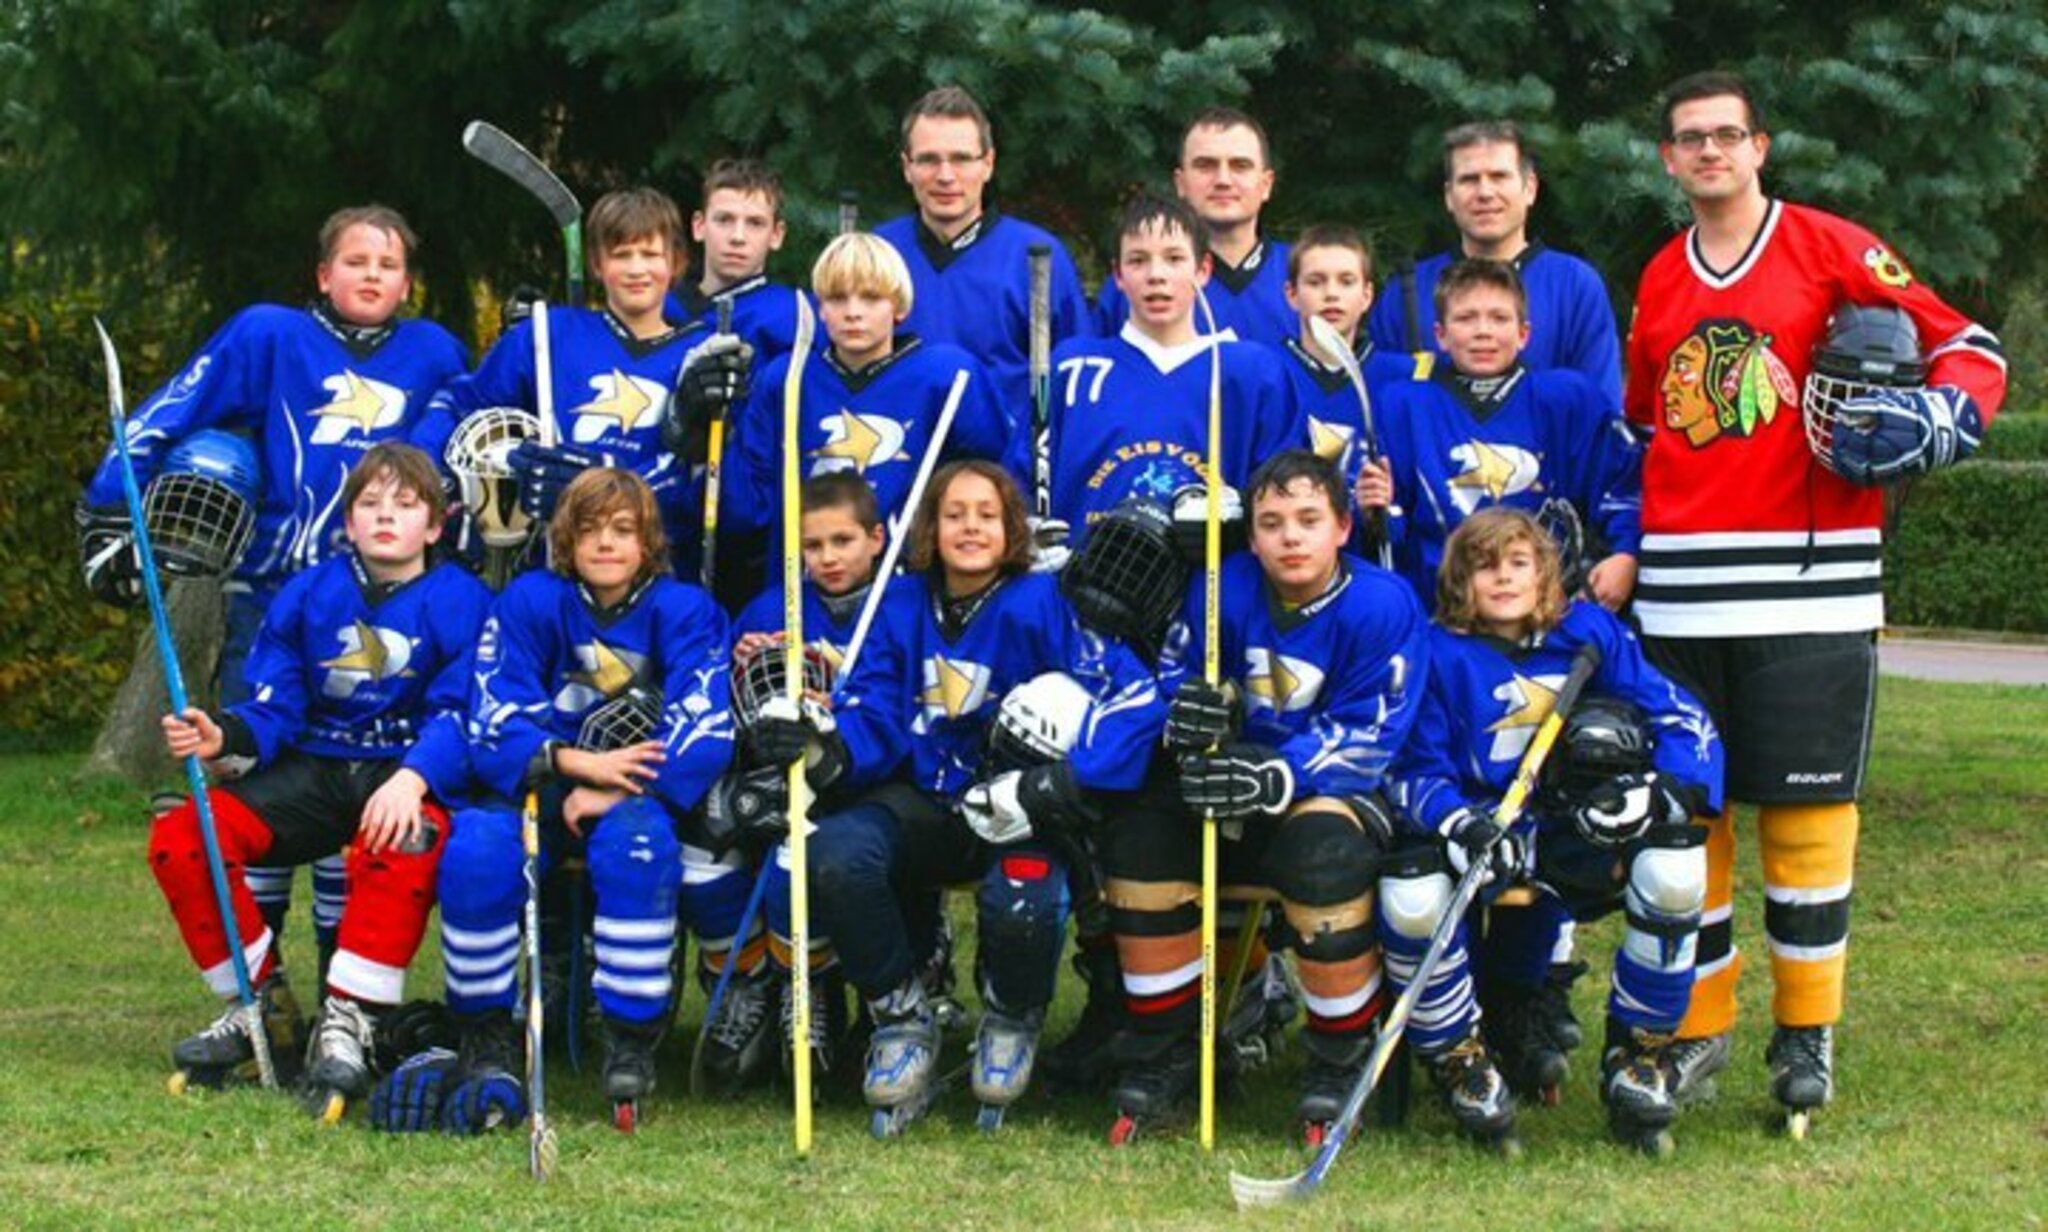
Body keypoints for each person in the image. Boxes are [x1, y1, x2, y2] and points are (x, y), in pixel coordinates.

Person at [1623, 70, 2005, 1133]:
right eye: (1687, 139)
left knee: (1801, 820)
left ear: (1759, 146)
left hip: (1810, 587)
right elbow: (1644, 423)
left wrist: (1940, 419)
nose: (1707, 153)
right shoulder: (1658, 276)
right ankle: (1696, 1027)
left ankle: (1805, 1032)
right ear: (1666, 158)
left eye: (1725, 136)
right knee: (1682, 826)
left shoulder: (1832, 247)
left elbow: (1968, 347)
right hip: (1679, 599)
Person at [80, 205, 470, 980]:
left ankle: (341, 983)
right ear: (322, 275)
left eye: (387, 265)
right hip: (270, 598)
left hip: (381, 599)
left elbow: (466, 437)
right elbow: (171, 413)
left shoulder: (434, 353)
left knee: (348, 787)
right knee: (256, 784)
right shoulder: (267, 334)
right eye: (354, 261)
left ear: (407, 283)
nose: (370, 275)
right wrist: (107, 511)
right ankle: (264, 988)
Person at [756, 459, 1162, 1135]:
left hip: (1021, 807)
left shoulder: (1048, 599)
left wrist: (1060, 781)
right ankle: (899, 1012)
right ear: (929, 528)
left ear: (1013, 527)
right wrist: (825, 748)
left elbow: (1136, 699)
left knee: (1026, 893)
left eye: (986, 513)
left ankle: (1011, 1012)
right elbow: (876, 710)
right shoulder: (902, 601)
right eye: (954, 514)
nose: (970, 526)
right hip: (927, 802)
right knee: (835, 853)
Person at [148, 443, 488, 1117]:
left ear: (436, 525)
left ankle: (351, 1020)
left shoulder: (465, 600)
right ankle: (260, 1007)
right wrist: (226, 738)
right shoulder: (308, 594)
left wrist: (415, 778)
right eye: (370, 503)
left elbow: (463, 711)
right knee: (184, 835)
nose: (386, 516)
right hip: (313, 769)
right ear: (348, 521)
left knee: (409, 840)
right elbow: (276, 708)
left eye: (405, 504)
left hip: (402, 775)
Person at [1105, 450, 1428, 1144]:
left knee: (1322, 857)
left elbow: (1375, 729)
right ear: (1250, 534)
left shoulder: (1383, 603)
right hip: (1230, 783)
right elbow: (1177, 675)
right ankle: (1172, 1052)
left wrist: (1278, 773)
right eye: (1272, 521)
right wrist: (1190, 711)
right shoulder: (1219, 587)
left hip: (1333, 793)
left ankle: (1339, 1063)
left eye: (1309, 519)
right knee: (1139, 839)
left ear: (1343, 527)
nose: (1290, 536)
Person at [1389, 508, 1723, 1153]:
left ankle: (1637, 1057)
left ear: (1546, 574)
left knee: (1675, 871)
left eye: (1520, 564)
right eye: (1486, 566)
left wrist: (1662, 793)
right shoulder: (1434, 652)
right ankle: (1462, 1059)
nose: (1504, 578)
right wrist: (1458, 821)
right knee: (1411, 898)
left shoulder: (1590, 635)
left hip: (1571, 826)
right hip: (1480, 831)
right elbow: (1410, 765)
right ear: (1459, 580)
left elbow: (1681, 718)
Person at [434, 467, 733, 1132]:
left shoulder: (685, 609)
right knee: (478, 851)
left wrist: (618, 786)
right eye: (590, 530)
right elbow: (492, 710)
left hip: (632, 793)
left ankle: (629, 1039)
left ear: (649, 542)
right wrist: (572, 765)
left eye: (623, 531)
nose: (605, 544)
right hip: (539, 787)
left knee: (639, 846)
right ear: (565, 539)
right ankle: (483, 1030)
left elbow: (706, 724)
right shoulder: (530, 600)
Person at [696, 471, 921, 1095]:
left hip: (864, 784)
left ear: (877, 538)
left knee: (807, 854)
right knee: (713, 842)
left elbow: (900, 716)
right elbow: (728, 696)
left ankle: (812, 988)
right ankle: (750, 988)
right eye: (813, 546)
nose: (828, 558)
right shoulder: (774, 607)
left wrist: (832, 739)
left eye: (842, 541)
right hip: (773, 775)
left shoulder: (901, 607)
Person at [412, 187, 716, 575]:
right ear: (596, 264)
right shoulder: (546, 334)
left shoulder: (705, 357)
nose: (637, 269)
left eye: (651, 254)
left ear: (677, 261)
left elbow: (708, 482)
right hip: (548, 565)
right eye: (621, 255)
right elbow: (461, 405)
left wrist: (595, 483)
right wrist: (428, 476)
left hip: (654, 572)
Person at [1356, 258, 1641, 612]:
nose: (1483, 331)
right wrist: (1373, 513)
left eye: (1499, 318)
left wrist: (1625, 554)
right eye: (1466, 318)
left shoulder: (1568, 401)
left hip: (1551, 620)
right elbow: (1386, 536)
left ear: (1524, 333)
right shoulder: (1402, 406)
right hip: (1440, 622)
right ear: (1440, 335)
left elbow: (1622, 488)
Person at [1046, 193, 1303, 552]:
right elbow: (1025, 476)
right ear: (1117, 275)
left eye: (1174, 259)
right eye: (1137, 261)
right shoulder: (1072, 368)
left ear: (1203, 270)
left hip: (1208, 595)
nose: (1156, 276)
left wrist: (1241, 523)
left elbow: (1286, 493)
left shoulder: (1251, 373)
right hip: (1087, 590)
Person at [733, 232, 1020, 549]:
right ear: (821, 309)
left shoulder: (947, 376)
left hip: (911, 580)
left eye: (870, 298)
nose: (853, 312)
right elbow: (750, 501)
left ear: (899, 307)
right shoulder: (787, 378)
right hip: (806, 578)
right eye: (838, 298)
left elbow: (995, 476)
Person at [874, 85, 1094, 429]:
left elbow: (1076, 383)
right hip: (898, 463)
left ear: (988, 164)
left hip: (1004, 473)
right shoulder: (877, 254)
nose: (945, 176)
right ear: (907, 167)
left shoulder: (1037, 258)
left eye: (961, 158)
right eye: (929, 159)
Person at [1368, 121, 1622, 409]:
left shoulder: (1575, 286)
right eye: (1469, 179)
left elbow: (1601, 413)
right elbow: (1376, 411)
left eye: (1499, 176)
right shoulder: (1406, 293)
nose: (1485, 192)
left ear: (1530, 188)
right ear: (1449, 196)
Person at [1094, 107, 1296, 347]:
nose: (1223, 180)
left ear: (1266, 184)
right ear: (1180, 183)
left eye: (1240, 166)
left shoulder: (1308, 276)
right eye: (1205, 165)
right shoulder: (1136, 282)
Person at [1278, 223, 1421, 487]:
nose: (1331, 294)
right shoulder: (1267, 373)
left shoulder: (1402, 376)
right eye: (1315, 282)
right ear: (1292, 294)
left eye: (1346, 281)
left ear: (1367, 295)